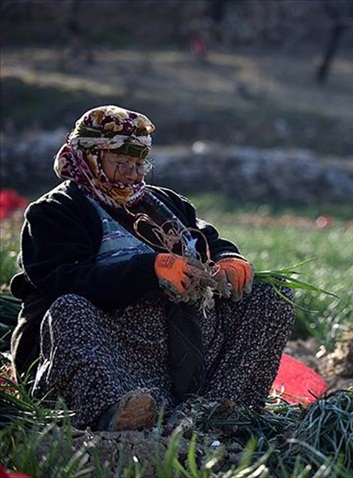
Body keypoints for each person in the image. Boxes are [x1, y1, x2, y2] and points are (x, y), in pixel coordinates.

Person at [8, 105, 295, 431]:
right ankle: (114, 409)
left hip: (183, 342)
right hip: (113, 349)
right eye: (121, 163)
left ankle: (215, 407)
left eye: (140, 163)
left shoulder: (166, 203)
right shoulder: (56, 210)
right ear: (90, 158)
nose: (133, 174)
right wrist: (150, 269)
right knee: (69, 309)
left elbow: (207, 238)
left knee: (273, 295)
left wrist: (228, 258)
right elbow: (62, 280)